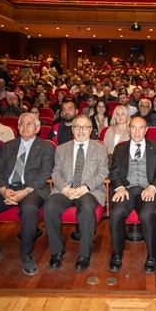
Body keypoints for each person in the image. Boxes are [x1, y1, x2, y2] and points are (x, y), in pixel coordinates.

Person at [0, 113, 55, 275]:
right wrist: (3, 190)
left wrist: (24, 191)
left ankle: (26, 253)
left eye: (29, 124)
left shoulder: (46, 147)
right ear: (17, 127)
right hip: (7, 188)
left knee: (29, 209)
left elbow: (45, 173)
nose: (25, 127)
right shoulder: (9, 145)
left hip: (32, 189)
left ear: (37, 128)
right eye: (22, 124)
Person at [43, 115, 109, 272]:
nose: (81, 130)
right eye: (78, 126)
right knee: (49, 207)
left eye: (85, 127)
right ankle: (57, 250)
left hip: (89, 190)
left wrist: (84, 187)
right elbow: (56, 171)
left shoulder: (100, 148)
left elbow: (103, 172)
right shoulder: (61, 148)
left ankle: (84, 254)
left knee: (86, 208)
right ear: (72, 129)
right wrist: (65, 188)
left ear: (91, 131)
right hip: (64, 189)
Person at [109, 116, 156, 273]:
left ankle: (152, 256)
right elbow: (113, 172)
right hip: (126, 189)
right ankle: (117, 254)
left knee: (147, 214)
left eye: (141, 127)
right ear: (129, 129)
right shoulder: (120, 148)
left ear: (146, 130)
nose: (137, 131)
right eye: (133, 127)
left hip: (147, 189)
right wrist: (119, 187)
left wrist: (153, 187)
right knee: (116, 213)